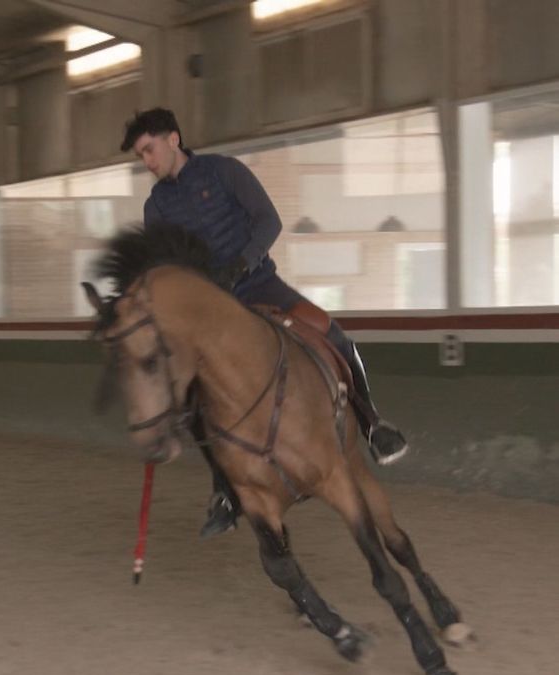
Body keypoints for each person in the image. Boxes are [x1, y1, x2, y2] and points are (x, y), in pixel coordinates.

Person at [120, 108, 408, 538]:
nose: (147, 161)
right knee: (189, 393)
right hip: (207, 313)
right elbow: (164, 265)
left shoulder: (224, 173)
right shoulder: (155, 206)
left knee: (332, 334)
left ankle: (372, 423)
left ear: (173, 139)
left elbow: (268, 221)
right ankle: (223, 489)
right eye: (141, 155)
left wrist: (238, 266)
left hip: (258, 285)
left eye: (149, 149)